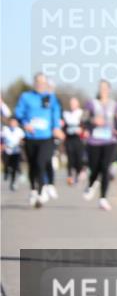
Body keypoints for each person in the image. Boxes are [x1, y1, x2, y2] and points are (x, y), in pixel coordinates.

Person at [14, 73, 63, 208]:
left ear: (46, 84)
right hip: (31, 137)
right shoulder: (26, 97)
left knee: (41, 162)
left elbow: (56, 113)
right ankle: (33, 189)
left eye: (43, 82)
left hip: (46, 137)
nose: (40, 84)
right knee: (33, 165)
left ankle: (41, 192)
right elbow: (18, 113)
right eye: (38, 82)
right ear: (34, 83)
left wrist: (56, 128)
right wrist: (25, 124)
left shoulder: (51, 98)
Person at [84, 80, 117, 211]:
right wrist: (93, 120)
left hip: (110, 140)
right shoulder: (91, 103)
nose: (103, 90)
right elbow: (84, 119)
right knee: (94, 168)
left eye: (105, 88)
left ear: (109, 90)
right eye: (101, 88)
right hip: (94, 140)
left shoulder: (114, 105)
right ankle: (90, 184)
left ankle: (103, 198)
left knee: (105, 167)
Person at [62, 97, 86, 186]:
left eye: (74, 103)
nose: (72, 105)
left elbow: (86, 126)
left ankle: (79, 173)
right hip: (69, 139)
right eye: (71, 104)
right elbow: (63, 127)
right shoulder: (66, 114)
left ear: (77, 104)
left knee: (78, 159)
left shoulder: (81, 113)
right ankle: (70, 177)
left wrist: (82, 130)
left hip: (79, 139)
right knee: (70, 158)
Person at [2, 117, 25, 191]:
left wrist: (21, 143)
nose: (12, 124)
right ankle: (6, 172)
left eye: (14, 122)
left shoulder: (19, 131)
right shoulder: (5, 130)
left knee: (14, 168)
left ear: (17, 123)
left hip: (16, 151)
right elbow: (1, 139)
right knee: (6, 164)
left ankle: (13, 182)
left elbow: (23, 140)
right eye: (11, 122)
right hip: (6, 151)